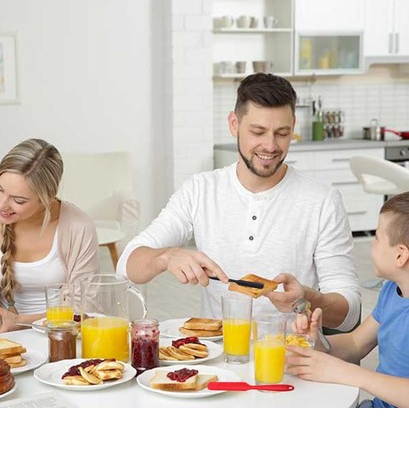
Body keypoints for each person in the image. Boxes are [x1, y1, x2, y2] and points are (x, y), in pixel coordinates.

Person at [117, 73, 361, 331]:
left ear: (293, 126)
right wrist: (166, 257)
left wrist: (308, 299)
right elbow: (127, 265)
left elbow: (350, 314)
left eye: (282, 133)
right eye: (258, 131)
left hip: (291, 358)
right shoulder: (200, 190)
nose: (270, 145)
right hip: (221, 356)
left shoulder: (322, 201)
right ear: (234, 124)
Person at [286, 192, 409, 408]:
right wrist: (317, 341)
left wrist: (348, 373)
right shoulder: (392, 290)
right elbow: (355, 344)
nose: (372, 243)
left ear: (400, 255)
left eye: (378, 237)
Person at [0, 138, 99, 333]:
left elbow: (84, 308)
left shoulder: (78, 227)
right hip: (0, 342)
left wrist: (21, 321)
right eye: (0, 189)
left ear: (47, 198)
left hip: (63, 338)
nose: (2, 205)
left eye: (18, 200)